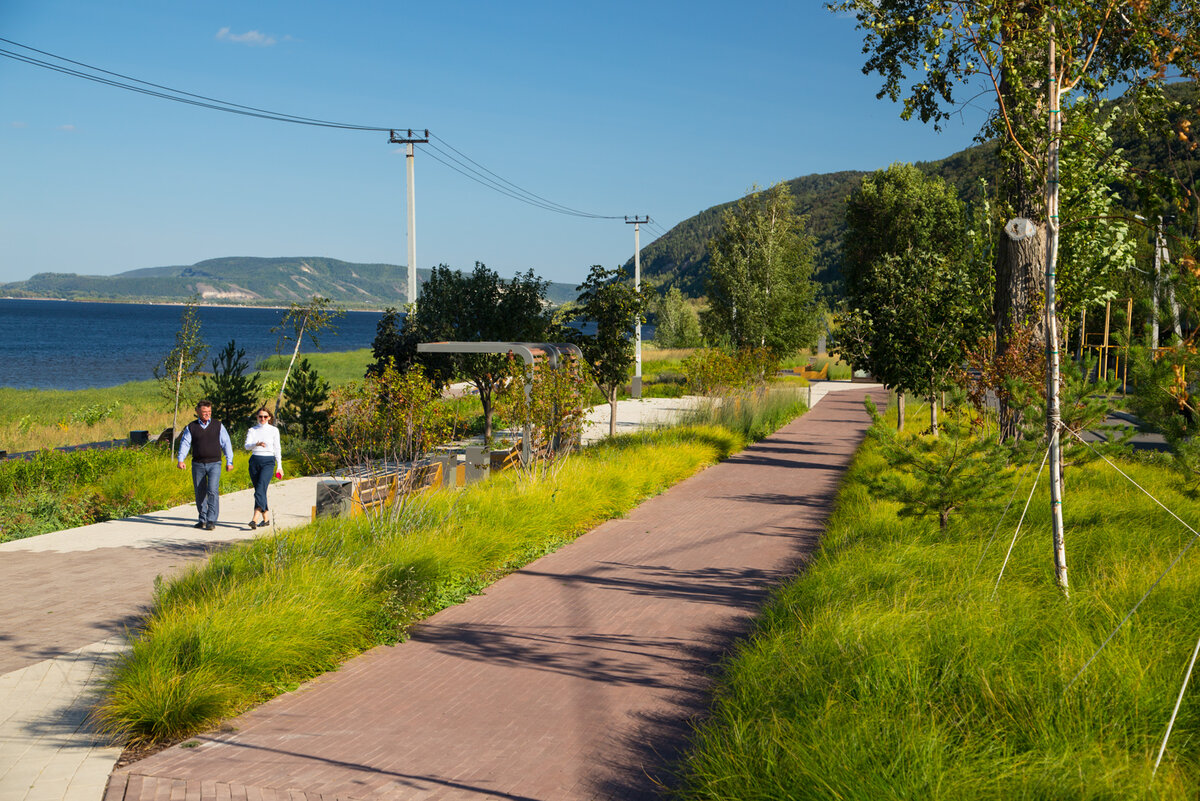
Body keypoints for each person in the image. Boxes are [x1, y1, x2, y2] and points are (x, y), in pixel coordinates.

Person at [176, 400, 234, 530]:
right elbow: (185, 444)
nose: (207, 414)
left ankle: (211, 520)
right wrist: (181, 460)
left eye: (209, 412)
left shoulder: (218, 425)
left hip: (215, 463)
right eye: (204, 412)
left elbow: (226, 444)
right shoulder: (191, 427)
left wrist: (229, 461)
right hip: (198, 464)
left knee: (212, 490)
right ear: (197, 412)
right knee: (200, 492)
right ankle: (202, 519)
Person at [244, 407, 283, 529]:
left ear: (269, 418)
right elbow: (246, 446)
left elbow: (277, 448)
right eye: (260, 416)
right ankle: (266, 519)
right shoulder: (252, 430)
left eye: (265, 417)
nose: (262, 419)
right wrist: (256, 444)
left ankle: (254, 519)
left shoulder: (274, 430)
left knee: (260, 490)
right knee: (260, 490)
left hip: (268, 461)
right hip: (255, 461)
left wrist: (279, 466)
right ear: (257, 417)